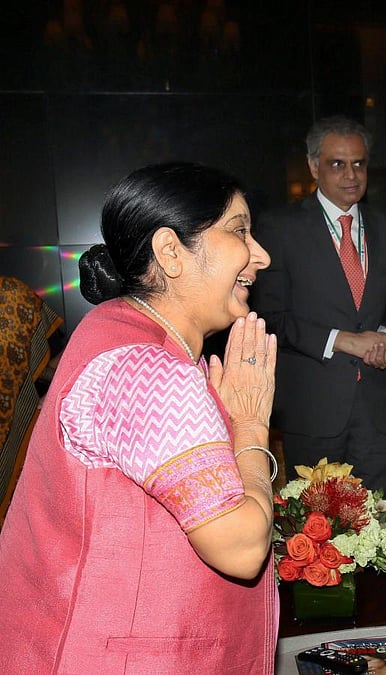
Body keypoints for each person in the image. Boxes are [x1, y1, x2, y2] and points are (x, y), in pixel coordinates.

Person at [0, 162, 279, 673]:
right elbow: (241, 547)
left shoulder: (120, 334)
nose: (259, 254)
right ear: (171, 252)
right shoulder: (146, 370)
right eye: (239, 230)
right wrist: (252, 425)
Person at [252, 115, 386, 509]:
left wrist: (385, 338)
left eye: (359, 163)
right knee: (316, 545)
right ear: (312, 167)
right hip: (314, 413)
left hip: (378, 411)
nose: (351, 174)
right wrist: (347, 341)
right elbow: (270, 317)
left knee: (382, 540)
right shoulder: (279, 228)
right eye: (337, 164)